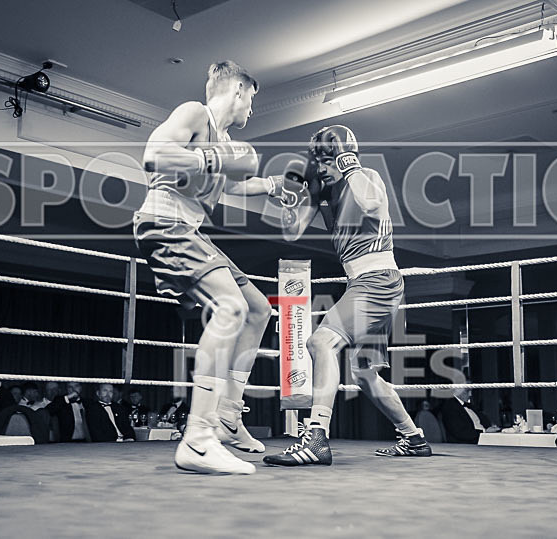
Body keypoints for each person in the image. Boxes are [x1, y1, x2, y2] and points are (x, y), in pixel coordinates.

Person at [135, 61, 279, 474]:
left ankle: (228, 416)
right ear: (238, 89)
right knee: (231, 307)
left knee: (258, 309)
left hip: (190, 230)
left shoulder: (226, 142)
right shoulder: (195, 114)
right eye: (251, 97)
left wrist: (272, 186)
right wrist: (215, 158)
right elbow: (154, 155)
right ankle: (198, 438)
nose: (251, 107)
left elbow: (233, 181)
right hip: (164, 221)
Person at [263, 125, 432, 466]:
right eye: (319, 162)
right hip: (362, 283)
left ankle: (316, 438)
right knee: (365, 374)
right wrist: (290, 202)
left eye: (328, 160)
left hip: (378, 280)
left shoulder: (367, 177)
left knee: (320, 343)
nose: (322, 167)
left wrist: (348, 162)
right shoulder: (323, 194)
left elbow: (372, 206)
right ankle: (414, 438)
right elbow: (291, 232)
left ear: (343, 156)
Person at [439, 371, 490, 444]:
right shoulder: (450, 407)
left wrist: (491, 429)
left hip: (482, 439)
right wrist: (485, 432)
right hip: (468, 444)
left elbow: (485, 421)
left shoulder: (470, 406)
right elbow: (460, 433)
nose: (470, 394)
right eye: (467, 390)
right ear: (457, 389)